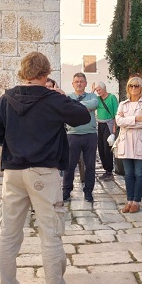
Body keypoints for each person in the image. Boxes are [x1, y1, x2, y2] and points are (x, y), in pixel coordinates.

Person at [0, 52, 90, 284]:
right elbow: (83, 116)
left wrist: (15, 139)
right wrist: (63, 97)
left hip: (13, 172)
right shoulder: (53, 98)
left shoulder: (6, 98)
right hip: (43, 171)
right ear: (46, 73)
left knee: (8, 233)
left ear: (23, 72)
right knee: (50, 233)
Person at [115, 76, 142, 213]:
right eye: (131, 86)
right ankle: (129, 200)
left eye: (136, 86)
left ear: (141, 88)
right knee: (128, 173)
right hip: (126, 142)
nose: (133, 88)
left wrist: (127, 121)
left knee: (139, 173)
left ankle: (136, 201)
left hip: (140, 141)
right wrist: (136, 118)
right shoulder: (123, 104)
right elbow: (118, 121)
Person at [62, 73, 98, 203]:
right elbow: (67, 108)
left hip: (90, 135)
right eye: (76, 81)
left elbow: (94, 104)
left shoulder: (92, 96)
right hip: (72, 135)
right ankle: (66, 191)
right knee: (69, 165)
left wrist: (74, 106)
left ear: (86, 83)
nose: (79, 83)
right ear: (73, 84)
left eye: (81, 81)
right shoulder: (68, 97)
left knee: (90, 165)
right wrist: (82, 106)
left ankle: (88, 191)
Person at [91, 81, 118, 181]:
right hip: (100, 124)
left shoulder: (112, 98)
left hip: (109, 125)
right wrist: (92, 91)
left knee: (107, 149)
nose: (98, 92)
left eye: (99, 89)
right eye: (97, 90)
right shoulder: (97, 99)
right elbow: (90, 103)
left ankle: (110, 171)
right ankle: (106, 170)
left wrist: (114, 129)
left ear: (104, 88)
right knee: (101, 148)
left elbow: (116, 114)